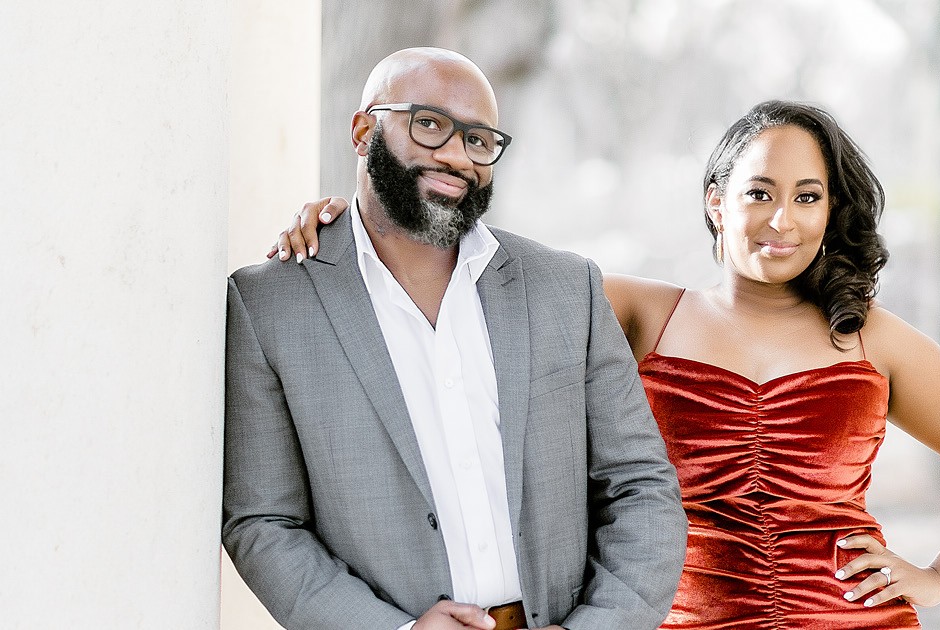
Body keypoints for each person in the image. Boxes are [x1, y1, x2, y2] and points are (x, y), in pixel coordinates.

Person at [273, 100, 940, 628]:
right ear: (715, 200)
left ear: (831, 211)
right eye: (759, 192)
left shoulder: (872, 337)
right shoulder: (637, 310)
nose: (783, 219)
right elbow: (467, 271)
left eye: (808, 197)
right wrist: (354, 220)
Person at [223, 47, 687, 630]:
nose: (456, 156)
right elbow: (263, 522)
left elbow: (641, 487)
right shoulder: (271, 305)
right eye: (430, 125)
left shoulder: (567, 290)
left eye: (478, 139)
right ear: (363, 131)